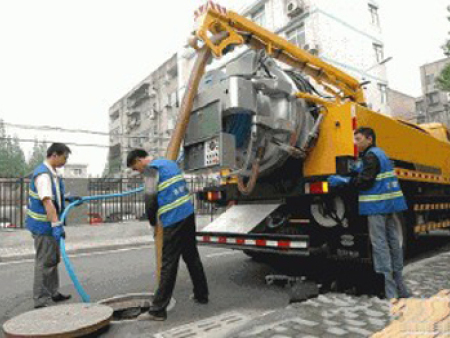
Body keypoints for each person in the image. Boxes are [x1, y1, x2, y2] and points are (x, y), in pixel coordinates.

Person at [328, 127, 411, 300]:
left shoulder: (370, 156)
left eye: (358, 139)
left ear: (369, 139)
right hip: (389, 206)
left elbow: (365, 182)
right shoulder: (380, 154)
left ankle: (388, 290)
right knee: (393, 242)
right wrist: (360, 168)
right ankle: (400, 286)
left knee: (379, 245)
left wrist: (344, 180)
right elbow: (372, 173)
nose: (356, 143)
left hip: (376, 206)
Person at [127, 149, 209, 321]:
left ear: (139, 160)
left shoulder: (151, 170)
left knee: (168, 263)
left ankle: (157, 310)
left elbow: (150, 199)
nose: (137, 171)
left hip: (174, 219)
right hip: (187, 213)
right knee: (191, 256)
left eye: (135, 167)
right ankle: (201, 295)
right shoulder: (169, 163)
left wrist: (152, 222)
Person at [26, 143, 78, 308]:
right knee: (44, 262)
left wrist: (67, 198)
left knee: (53, 260)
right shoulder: (43, 175)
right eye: (64, 157)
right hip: (43, 227)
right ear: (54, 155)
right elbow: (47, 202)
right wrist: (56, 225)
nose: (65, 161)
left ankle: (53, 292)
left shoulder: (53, 173)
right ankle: (41, 299)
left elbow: (54, 195)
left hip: (49, 226)